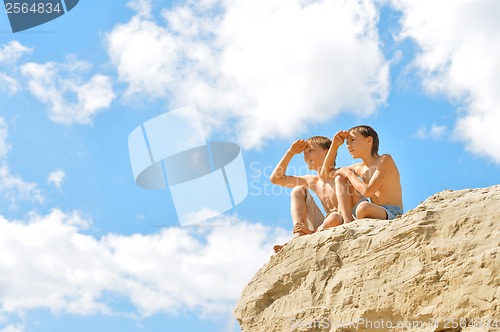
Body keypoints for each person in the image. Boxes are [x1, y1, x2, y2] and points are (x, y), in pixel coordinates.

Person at [270, 136, 343, 253]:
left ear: (327, 152)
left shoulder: (341, 174)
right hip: (325, 223)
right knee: (298, 189)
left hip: (340, 220)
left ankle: (312, 233)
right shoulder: (312, 180)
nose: (305, 155)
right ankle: (299, 232)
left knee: (334, 217)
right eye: (304, 153)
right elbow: (276, 179)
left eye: (311, 150)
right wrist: (291, 153)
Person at [334, 125, 403, 220]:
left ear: (369, 140)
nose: (348, 146)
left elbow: (368, 192)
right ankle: (347, 220)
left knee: (363, 207)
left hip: (392, 213)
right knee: (340, 177)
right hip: (370, 209)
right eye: (347, 143)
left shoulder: (385, 159)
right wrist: (334, 145)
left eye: (352, 140)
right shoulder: (358, 167)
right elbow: (326, 173)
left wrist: (349, 174)